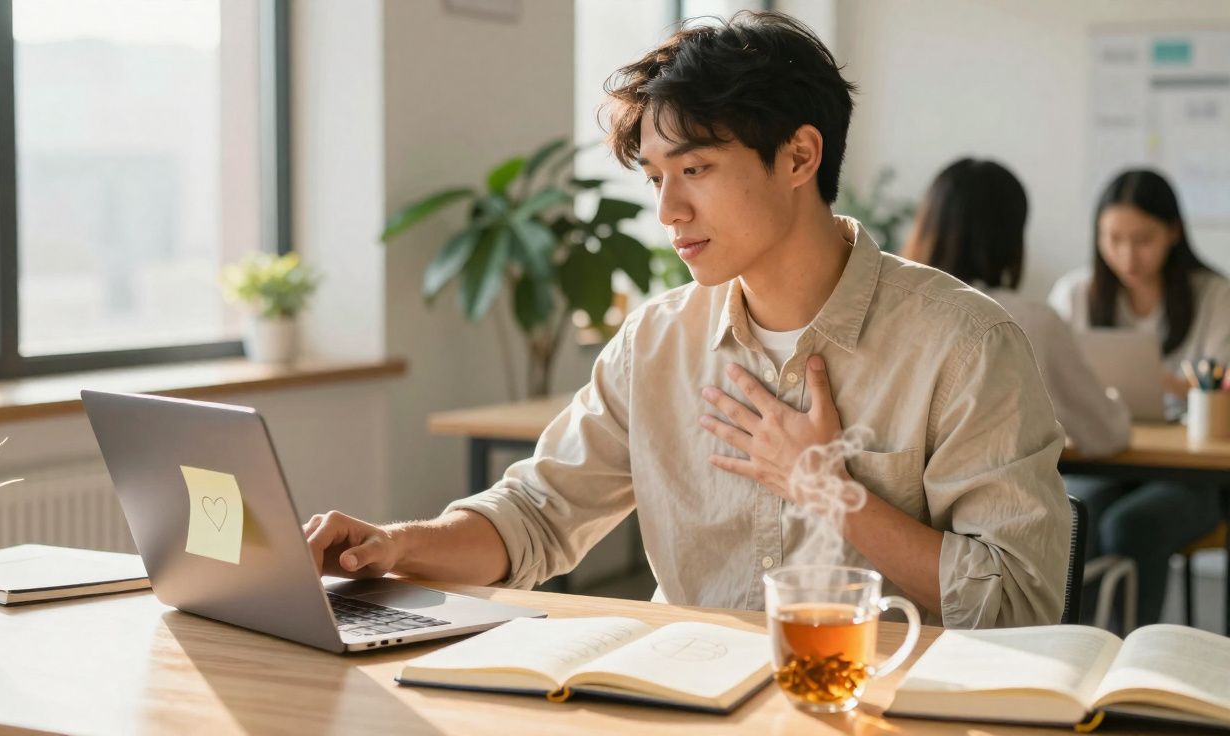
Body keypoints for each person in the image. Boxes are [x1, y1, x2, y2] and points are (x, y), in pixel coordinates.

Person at [306, 11, 1070, 628]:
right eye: (656, 178)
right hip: (686, 706)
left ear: (800, 157)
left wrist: (830, 489)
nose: (669, 212)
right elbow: (537, 517)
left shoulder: (964, 344)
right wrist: (396, 544)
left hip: (882, 709)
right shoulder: (656, 341)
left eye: (696, 170)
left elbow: (1016, 605)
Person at [1048, 168, 1230, 626]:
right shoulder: (1077, 293)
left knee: (1133, 525)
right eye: (1113, 238)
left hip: (1192, 472)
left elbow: (1222, 385)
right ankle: (1074, 650)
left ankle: (1132, 663)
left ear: (1173, 232)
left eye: (1143, 239)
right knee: (1072, 517)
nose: (1127, 255)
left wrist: (1164, 381)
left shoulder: (1214, 296)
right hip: (1105, 451)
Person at [903, 158, 1130, 457]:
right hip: (1000, 501)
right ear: (1011, 236)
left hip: (892, 501)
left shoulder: (894, 311)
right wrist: (1115, 400)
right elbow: (1106, 434)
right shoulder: (1031, 321)